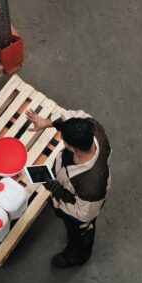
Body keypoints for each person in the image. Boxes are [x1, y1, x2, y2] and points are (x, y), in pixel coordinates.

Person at [26, 106, 111, 268]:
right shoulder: (92, 128)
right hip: (66, 179)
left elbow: (83, 214)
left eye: (63, 141)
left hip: (78, 213)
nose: (62, 142)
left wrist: (55, 188)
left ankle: (78, 256)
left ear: (73, 148)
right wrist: (47, 122)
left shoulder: (92, 186)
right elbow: (77, 115)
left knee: (79, 233)